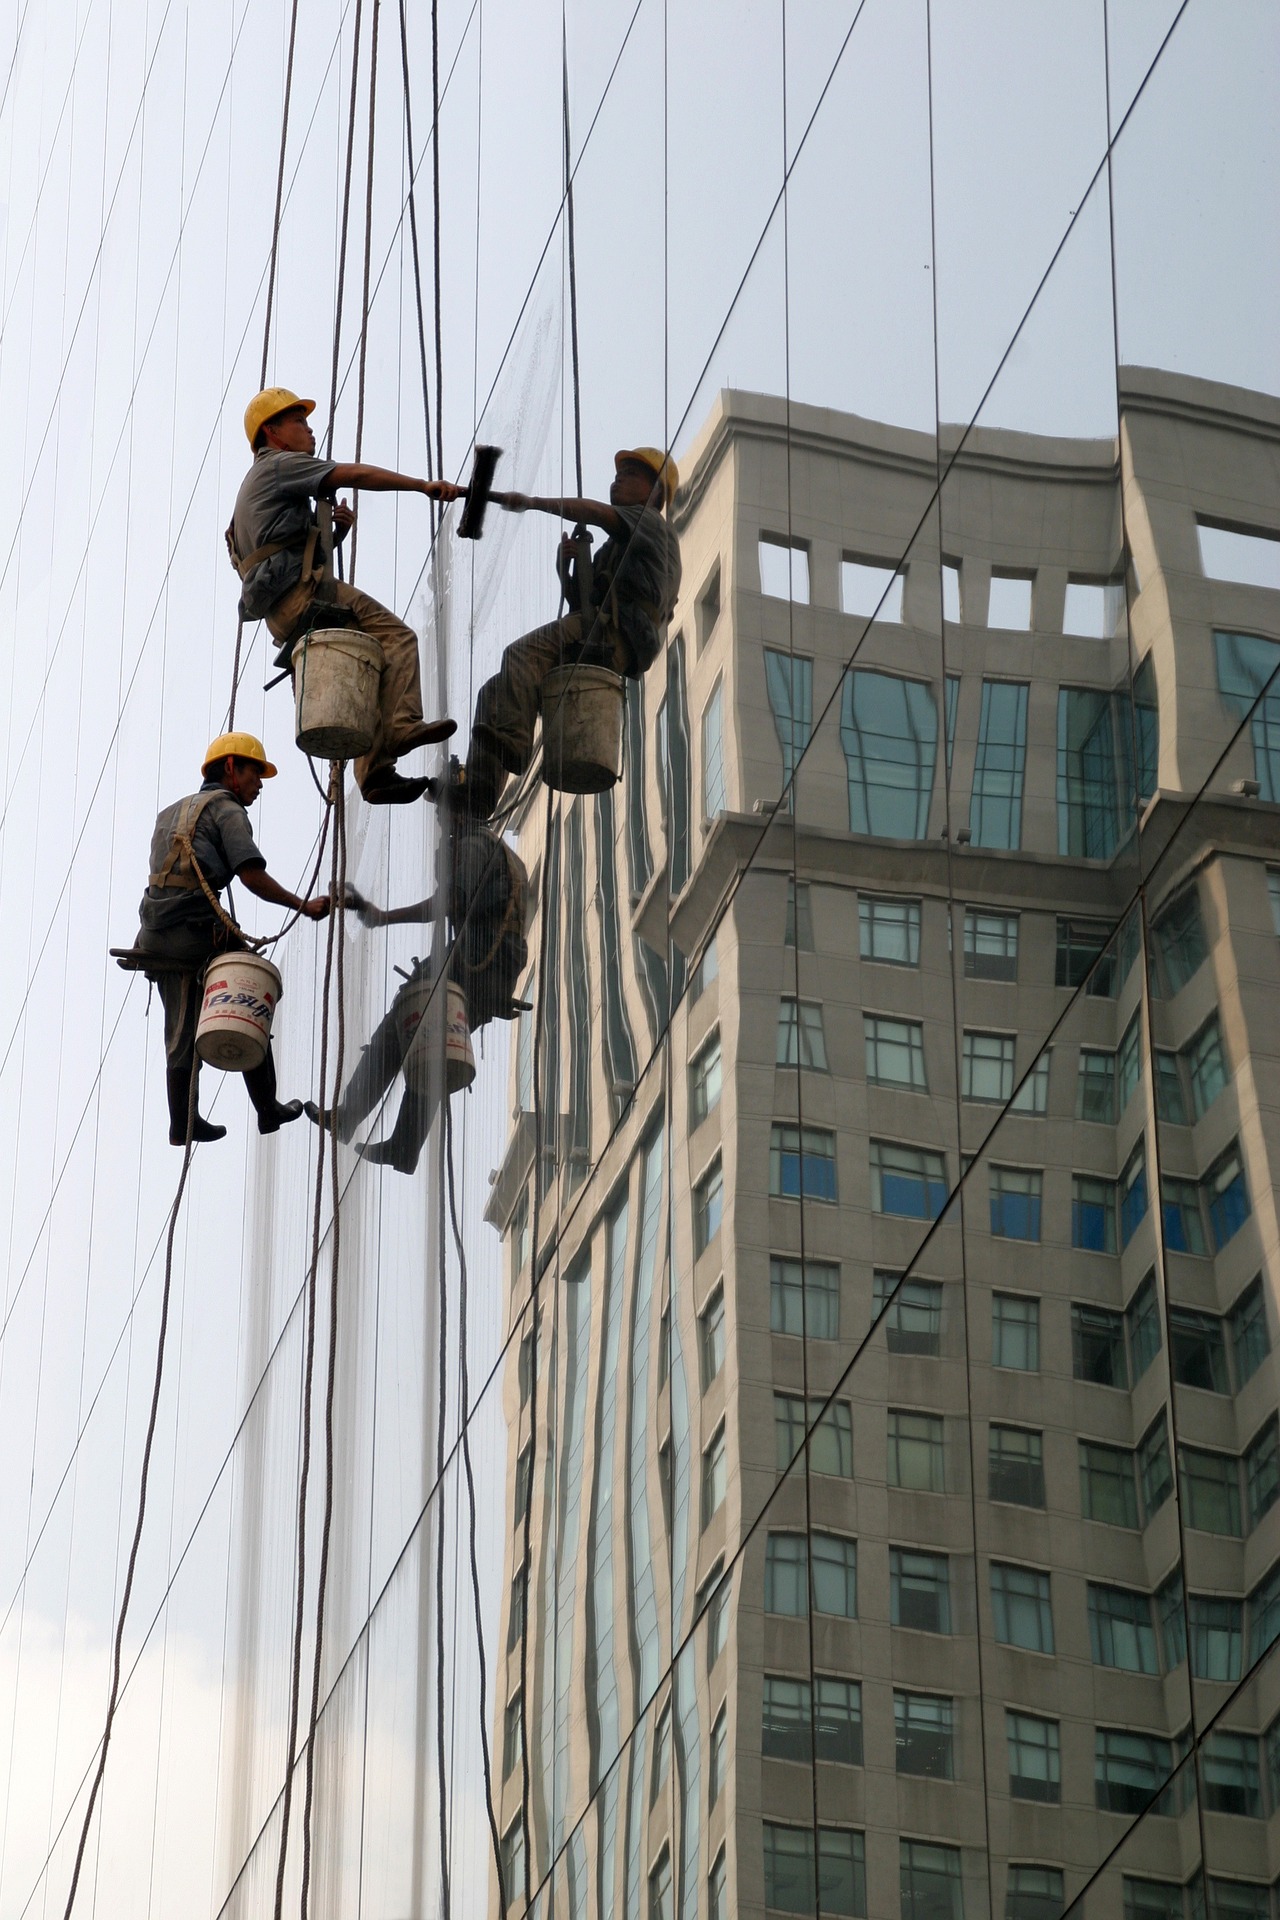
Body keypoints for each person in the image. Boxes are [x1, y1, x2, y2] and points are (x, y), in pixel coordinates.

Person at [227, 386, 456, 804]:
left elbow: (282, 553)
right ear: (273, 432)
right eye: (300, 423)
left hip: (282, 611)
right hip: (302, 596)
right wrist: (423, 485)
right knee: (397, 638)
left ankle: (374, 774)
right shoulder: (278, 466)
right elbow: (356, 475)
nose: (310, 432)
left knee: (368, 658)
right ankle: (403, 726)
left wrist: (337, 533)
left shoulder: (250, 492)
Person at [437, 446, 681, 816]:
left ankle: (516, 741)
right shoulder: (615, 547)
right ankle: (482, 790)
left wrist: (534, 502)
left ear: (656, 493)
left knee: (519, 655)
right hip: (599, 634)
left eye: (631, 474)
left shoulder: (649, 525)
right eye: (620, 472)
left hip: (613, 638)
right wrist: (564, 572)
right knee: (494, 691)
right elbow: (582, 608)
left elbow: (596, 513)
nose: (619, 478)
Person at [307, 804, 528, 1173]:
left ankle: (353, 1119)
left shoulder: (474, 846)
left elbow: (451, 902)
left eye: (443, 814)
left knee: (410, 1028)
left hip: (479, 961)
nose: (440, 821)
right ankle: (401, 1145)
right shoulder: (490, 847)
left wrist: (382, 917)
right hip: (490, 965)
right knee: (430, 1040)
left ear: (459, 813)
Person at [135, 732, 332, 1145]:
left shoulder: (169, 812)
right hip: (194, 931)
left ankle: (181, 1121)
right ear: (230, 769)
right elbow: (250, 875)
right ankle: (268, 1108)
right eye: (254, 774)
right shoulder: (227, 809)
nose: (259, 785)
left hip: (154, 936)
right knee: (250, 982)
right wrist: (303, 906)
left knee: (181, 1025)